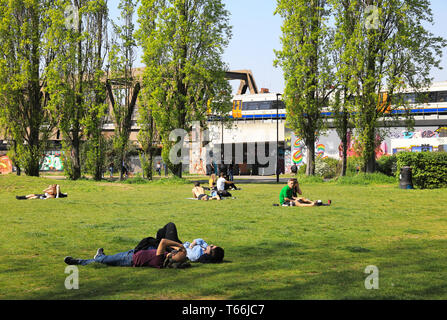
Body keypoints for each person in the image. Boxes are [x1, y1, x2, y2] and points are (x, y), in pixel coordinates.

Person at [64, 236, 188, 269]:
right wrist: (182, 251)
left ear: (173, 256)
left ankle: (78, 262)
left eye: (176, 253)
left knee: (102, 261)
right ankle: (101, 255)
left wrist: (180, 245)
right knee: (108, 259)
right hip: (132, 254)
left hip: (129, 259)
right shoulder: (165, 259)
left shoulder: (160, 258)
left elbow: (163, 241)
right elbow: (175, 253)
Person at [134, 223, 225, 264]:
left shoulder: (196, 255)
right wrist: (193, 243)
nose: (211, 245)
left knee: (170, 226)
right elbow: (200, 240)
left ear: (210, 253)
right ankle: (159, 240)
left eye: (212, 247)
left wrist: (173, 245)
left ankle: (157, 241)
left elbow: (184, 252)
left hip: (177, 248)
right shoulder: (205, 247)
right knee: (162, 235)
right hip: (181, 244)